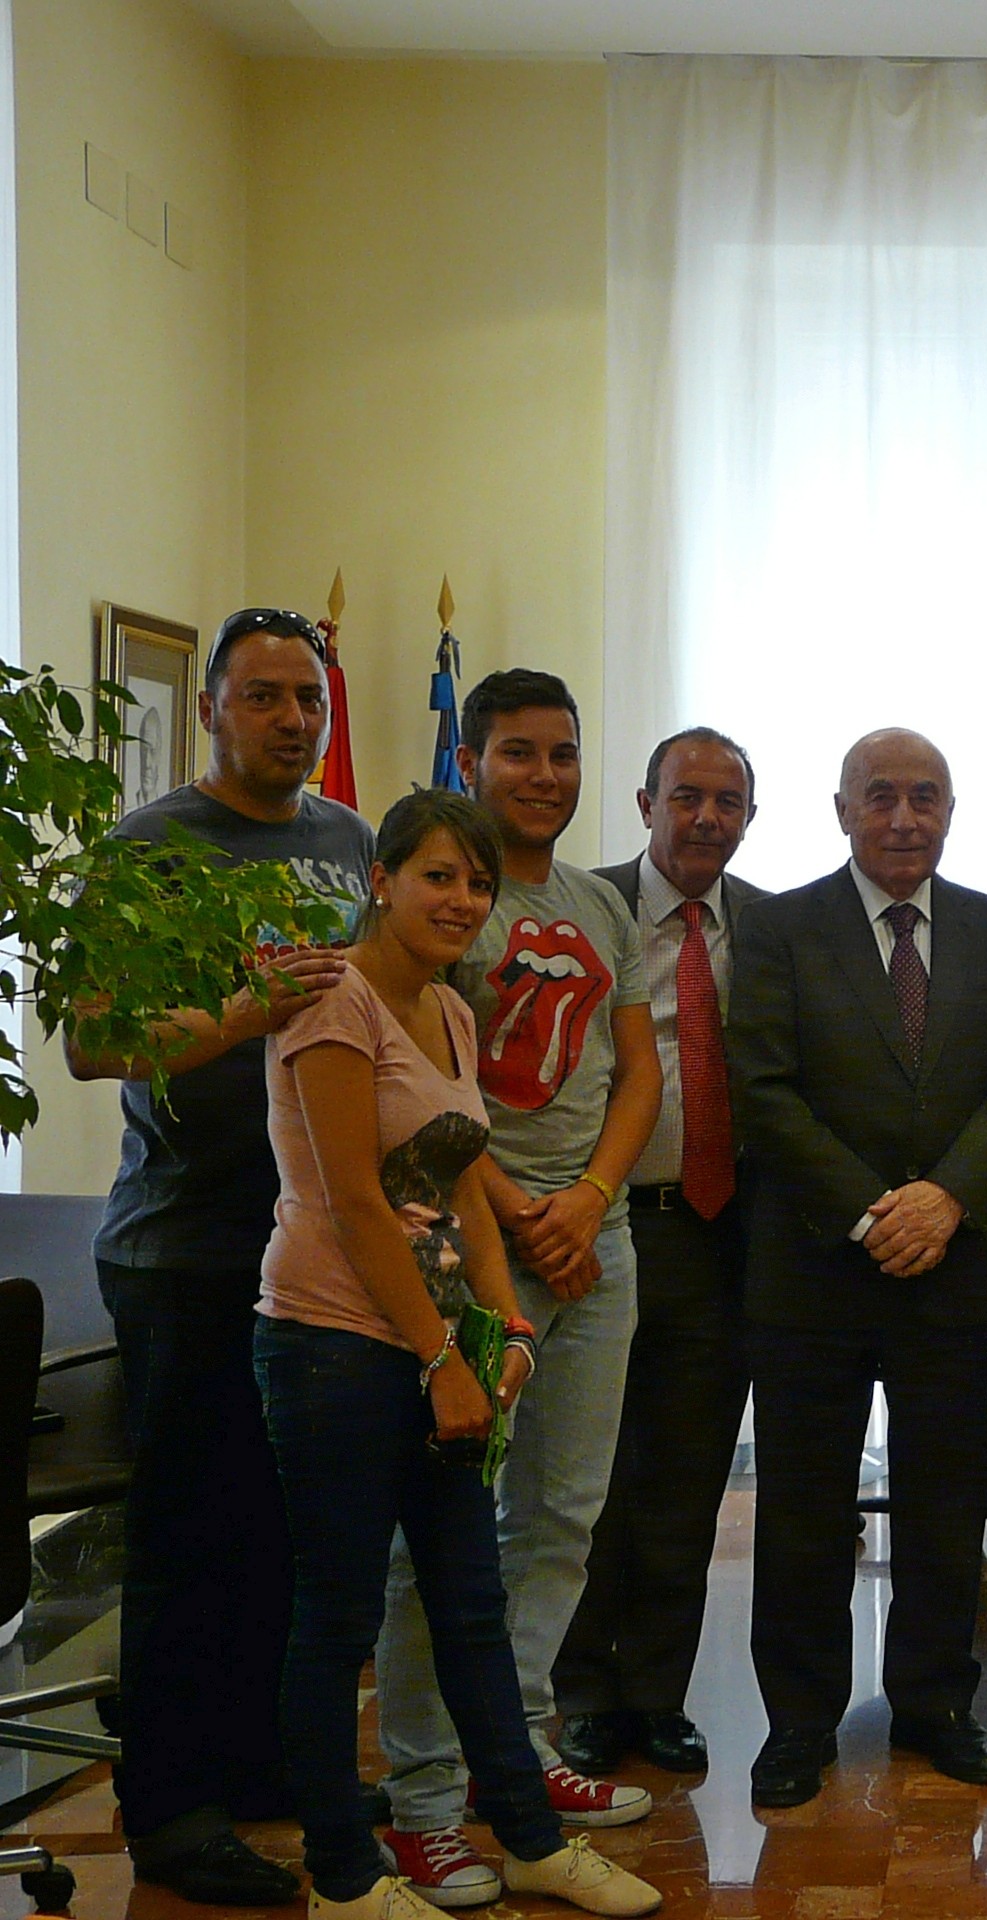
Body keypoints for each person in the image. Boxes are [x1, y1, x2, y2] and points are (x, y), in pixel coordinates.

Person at [256, 789, 661, 1920]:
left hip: (439, 1340)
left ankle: (529, 1841)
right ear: (379, 879)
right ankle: (343, 1876)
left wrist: (508, 1326)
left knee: (471, 1601)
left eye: (476, 883)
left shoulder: (447, 1009)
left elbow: (461, 1188)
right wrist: (441, 1358)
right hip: (334, 1345)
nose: (461, 899)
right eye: (437, 876)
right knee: (337, 1617)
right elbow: (356, 1207)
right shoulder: (333, 1003)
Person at [67, 606, 373, 1905]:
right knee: (190, 1539)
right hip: (185, 1248)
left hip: (317, 1244)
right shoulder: (150, 846)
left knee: (286, 1535)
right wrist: (254, 1008)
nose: (293, 721)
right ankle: (171, 1808)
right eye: (264, 698)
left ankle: (257, 1767)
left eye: (309, 699)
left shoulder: (352, 840)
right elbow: (94, 1038)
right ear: (212, 709)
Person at [373, 671, 663, 1899]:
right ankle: (423, 1799)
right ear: (470, 766)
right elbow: (417, 1083)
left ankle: (520, 1753)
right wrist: (523, 1214)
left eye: (562, 753)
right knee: (443, 1538)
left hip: (596, 1245)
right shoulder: (445, 899)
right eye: (516, 755)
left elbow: (636, 1071)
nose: (543, 775)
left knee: (561, 1517)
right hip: (467, 1242)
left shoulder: (603, 902)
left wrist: (590, 1199)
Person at [728, 728, 987, 1804]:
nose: (903, 818)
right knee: (804, 1508)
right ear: (841, 810)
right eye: (881, 798)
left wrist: (946, 1198)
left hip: (949, 1265)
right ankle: (799, 1724)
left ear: (951, 810)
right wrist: (870, 1213)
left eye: (924, 797)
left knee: (944, 1500)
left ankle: (935, 1704)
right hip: (814, 1268)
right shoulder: (776, 926)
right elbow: (761, 1090)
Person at [554, 729, 766, 1780]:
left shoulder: (771, 928)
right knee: (592, 1475)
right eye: (688, 797)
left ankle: (656, 1696)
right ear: (646, 803)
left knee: (688, 1479)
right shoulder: (581, 907)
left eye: (728, 803)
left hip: (721, 1237)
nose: (707, 820)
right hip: (602, 1222)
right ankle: (582, 1694)